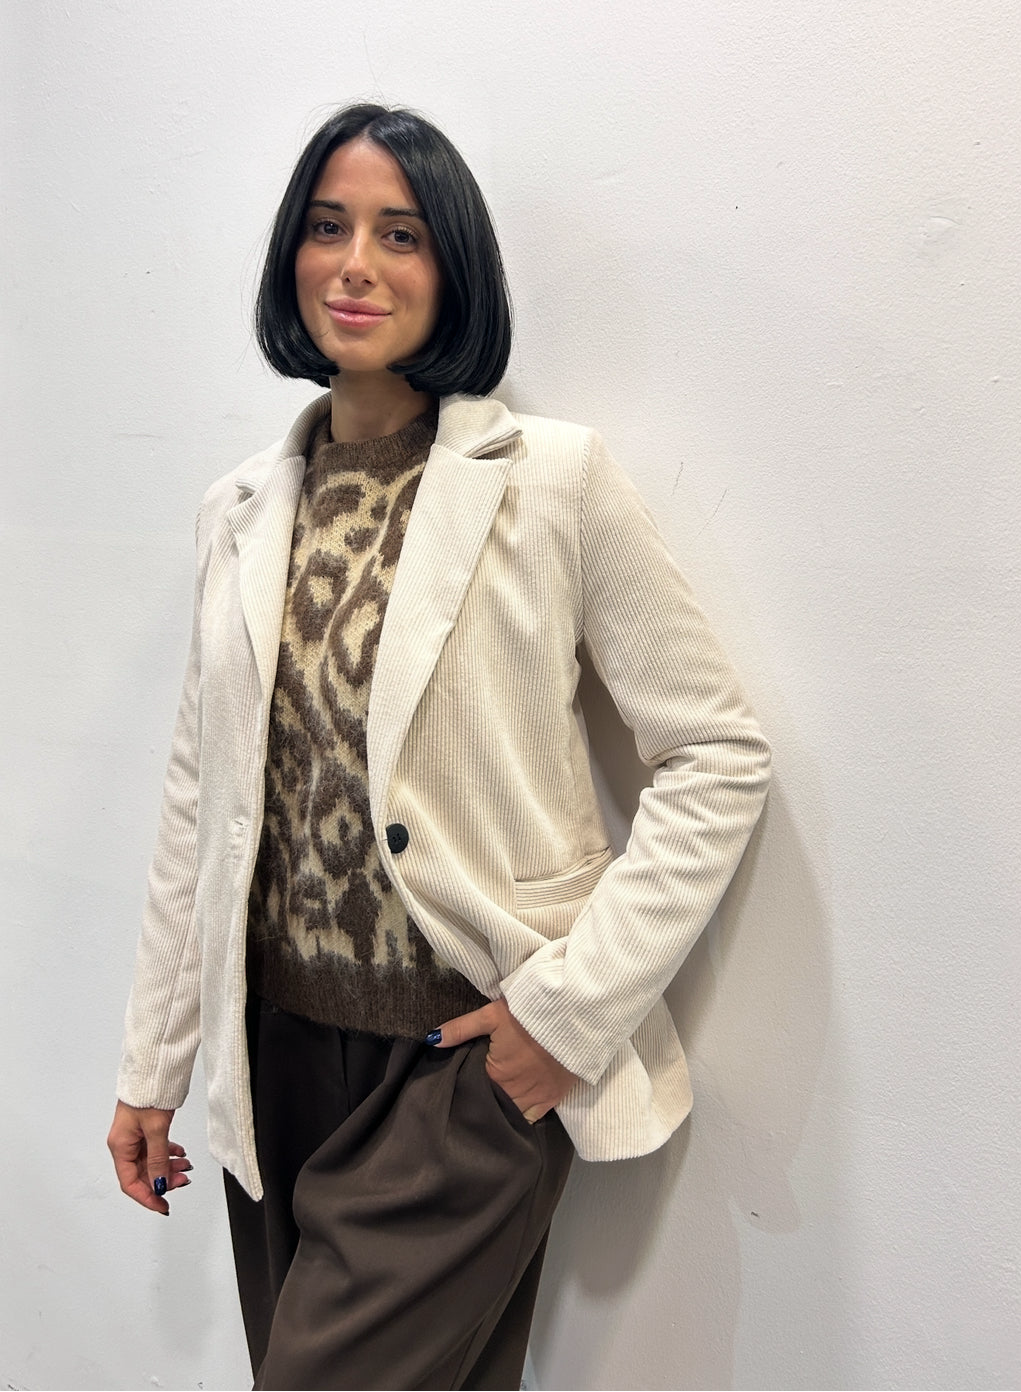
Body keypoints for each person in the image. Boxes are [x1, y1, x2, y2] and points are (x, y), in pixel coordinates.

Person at [106, 102, 771, 1392]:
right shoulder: (236, 510)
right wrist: (154, 1064)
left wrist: (568, 1016)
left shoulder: (549, 481)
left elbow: (716, 752)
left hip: (461, 1069)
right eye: (327, 227)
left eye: (399, 234)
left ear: (452, 263)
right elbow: (202, 802)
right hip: (274, 1063)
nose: (356, 263)